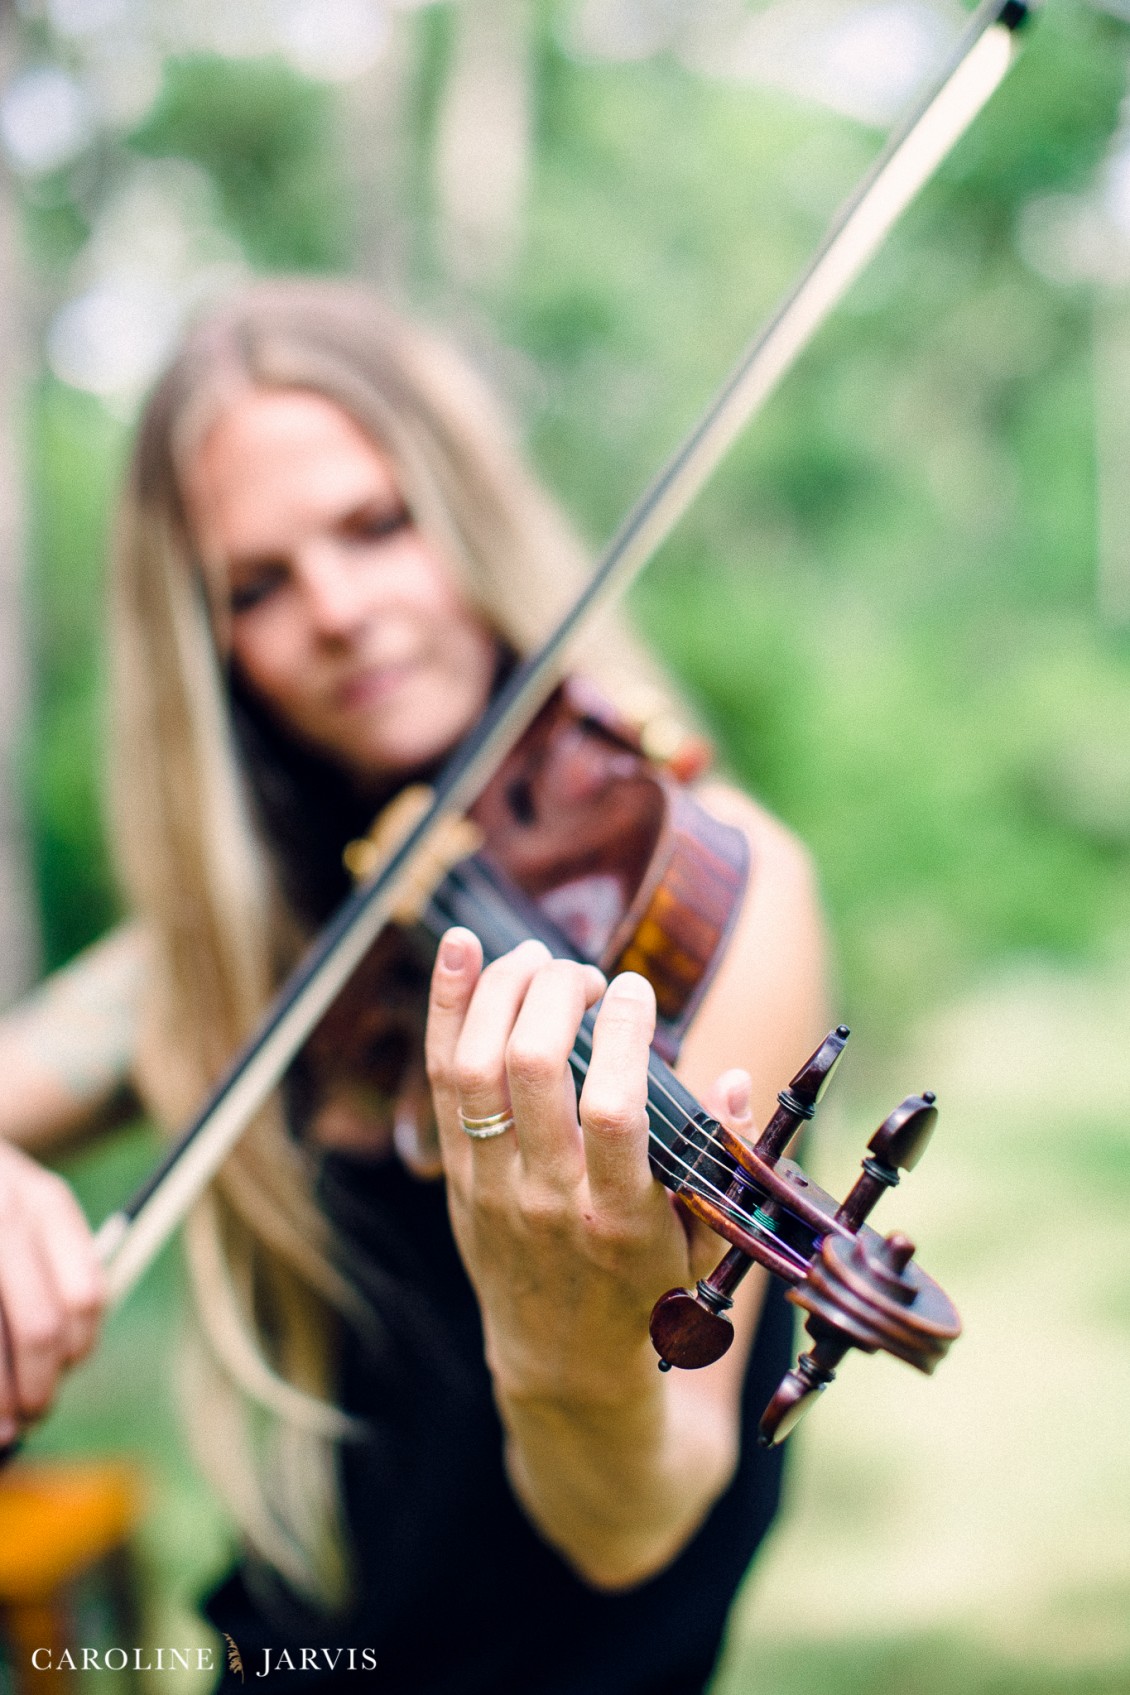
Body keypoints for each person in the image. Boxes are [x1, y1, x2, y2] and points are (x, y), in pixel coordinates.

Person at [0, 279, 827, 1693]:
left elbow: (643, 1516)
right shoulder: (250, 940)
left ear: (472, 515)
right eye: (253, 586)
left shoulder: (718, 893)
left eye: (376, 525)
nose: (337, 612)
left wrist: (570, 1347)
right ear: (212, 656)